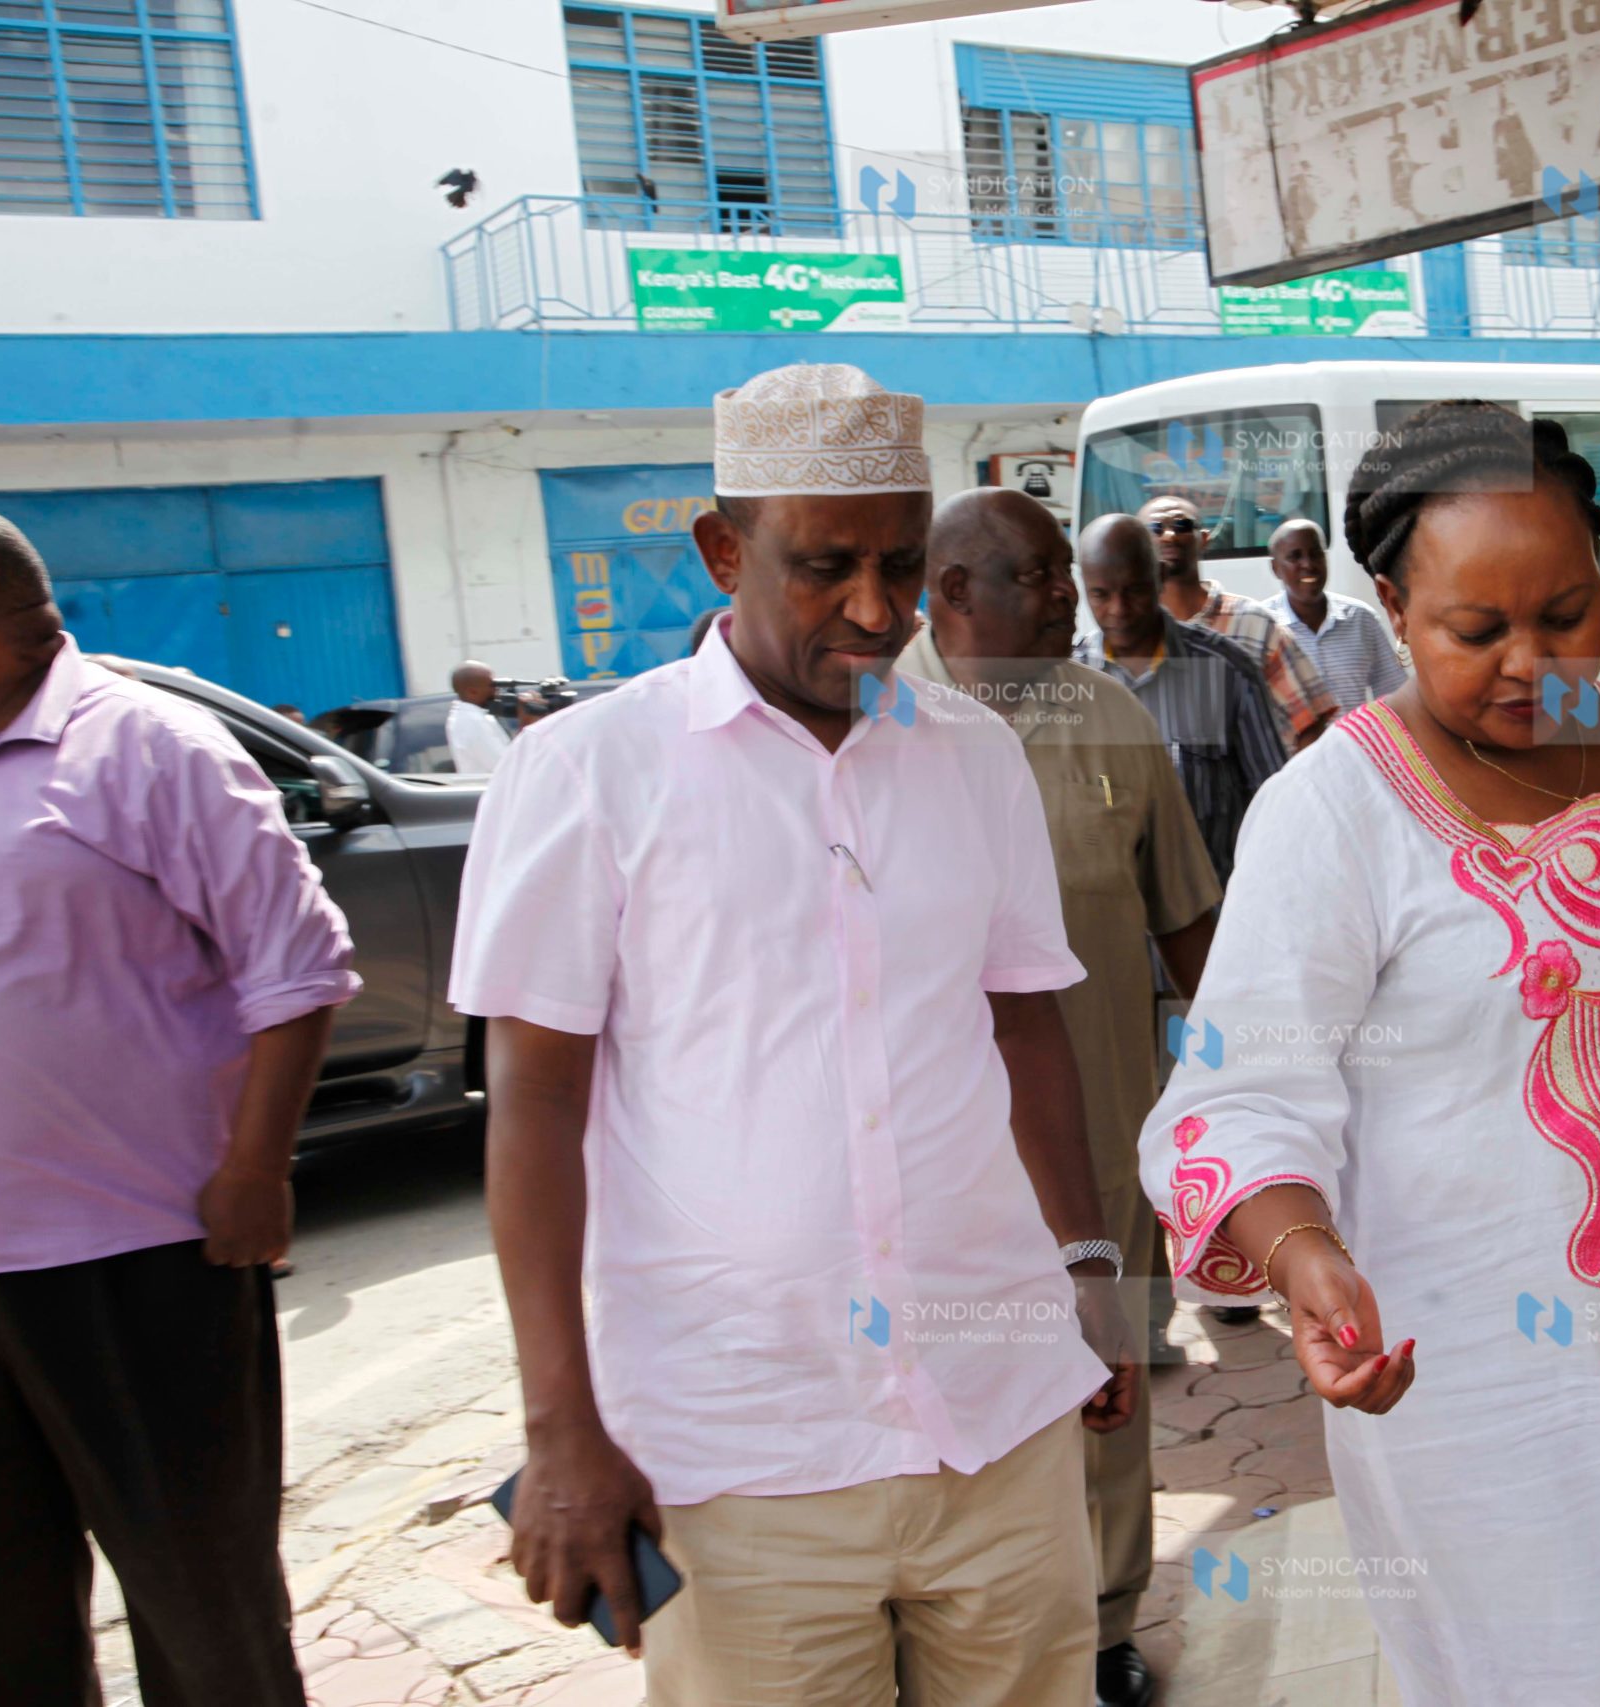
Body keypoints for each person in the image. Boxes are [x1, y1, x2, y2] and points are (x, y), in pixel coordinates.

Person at [1138, 403, 1600, 1707]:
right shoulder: (1335, 808)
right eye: (1479, 631)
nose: (1535, 661)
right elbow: (1243, 1091)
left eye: (1570, 612)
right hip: (1464, 1386)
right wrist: (1307, 1258)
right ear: (1393, 608)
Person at [451, 365, 1136, 1705]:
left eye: (900, 562)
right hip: (739, 1446)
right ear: (723, 547)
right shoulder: (591, 771)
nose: (875, 610)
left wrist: (1094, 1274)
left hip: (996, 1411)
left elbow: (1025, 1027)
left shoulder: (973, 755)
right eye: (824, 566)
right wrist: (562, 1427)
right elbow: (532, 1103)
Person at [0, 506, 358, 1706]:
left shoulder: (144, 746)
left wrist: (256, 1171)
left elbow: (296, 965)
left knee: (200, 1604)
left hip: (137, 1251)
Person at [909, 488, 1222, 1707]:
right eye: (1034, 578)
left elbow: (1188, 918)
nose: (1065, 598)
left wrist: (1251, 1073)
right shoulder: (879, 725)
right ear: (951, 594)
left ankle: (1101, 1628)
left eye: (1062, 576)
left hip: (1100, 1134)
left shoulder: (1111, 719)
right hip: (942, 1165)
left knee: (1108, 1386)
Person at [1075, 513, 1288, 884]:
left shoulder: (1228, 671)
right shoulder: (1069, 683)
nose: (1118, 610)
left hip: (1215, 918)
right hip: (1112, 923)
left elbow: (1273, 803)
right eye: (1101, 594)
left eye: (1133, 590)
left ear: (1158, 578)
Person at [1141, 494, 1338, 751]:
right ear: (1139, 545)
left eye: (1181, 525)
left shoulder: (1254, 624)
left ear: (1204, 539)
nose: (1168, 536)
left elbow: (1309, 724)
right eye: (1155, 529)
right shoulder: (1128, 635)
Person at [1262, 516, 1406, 708]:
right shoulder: (1262, 626)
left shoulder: (1361, 619)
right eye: (1295, 557)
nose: (1308, 564)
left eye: (1315, 554)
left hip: (1355, 739)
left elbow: (1394, 695)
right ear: (1276, 568)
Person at [445, 660, 511, 773]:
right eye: (492, 685)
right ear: (472, 692)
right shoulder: (471, 721)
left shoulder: (473, 716)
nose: (497, 690)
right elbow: (505, 768)